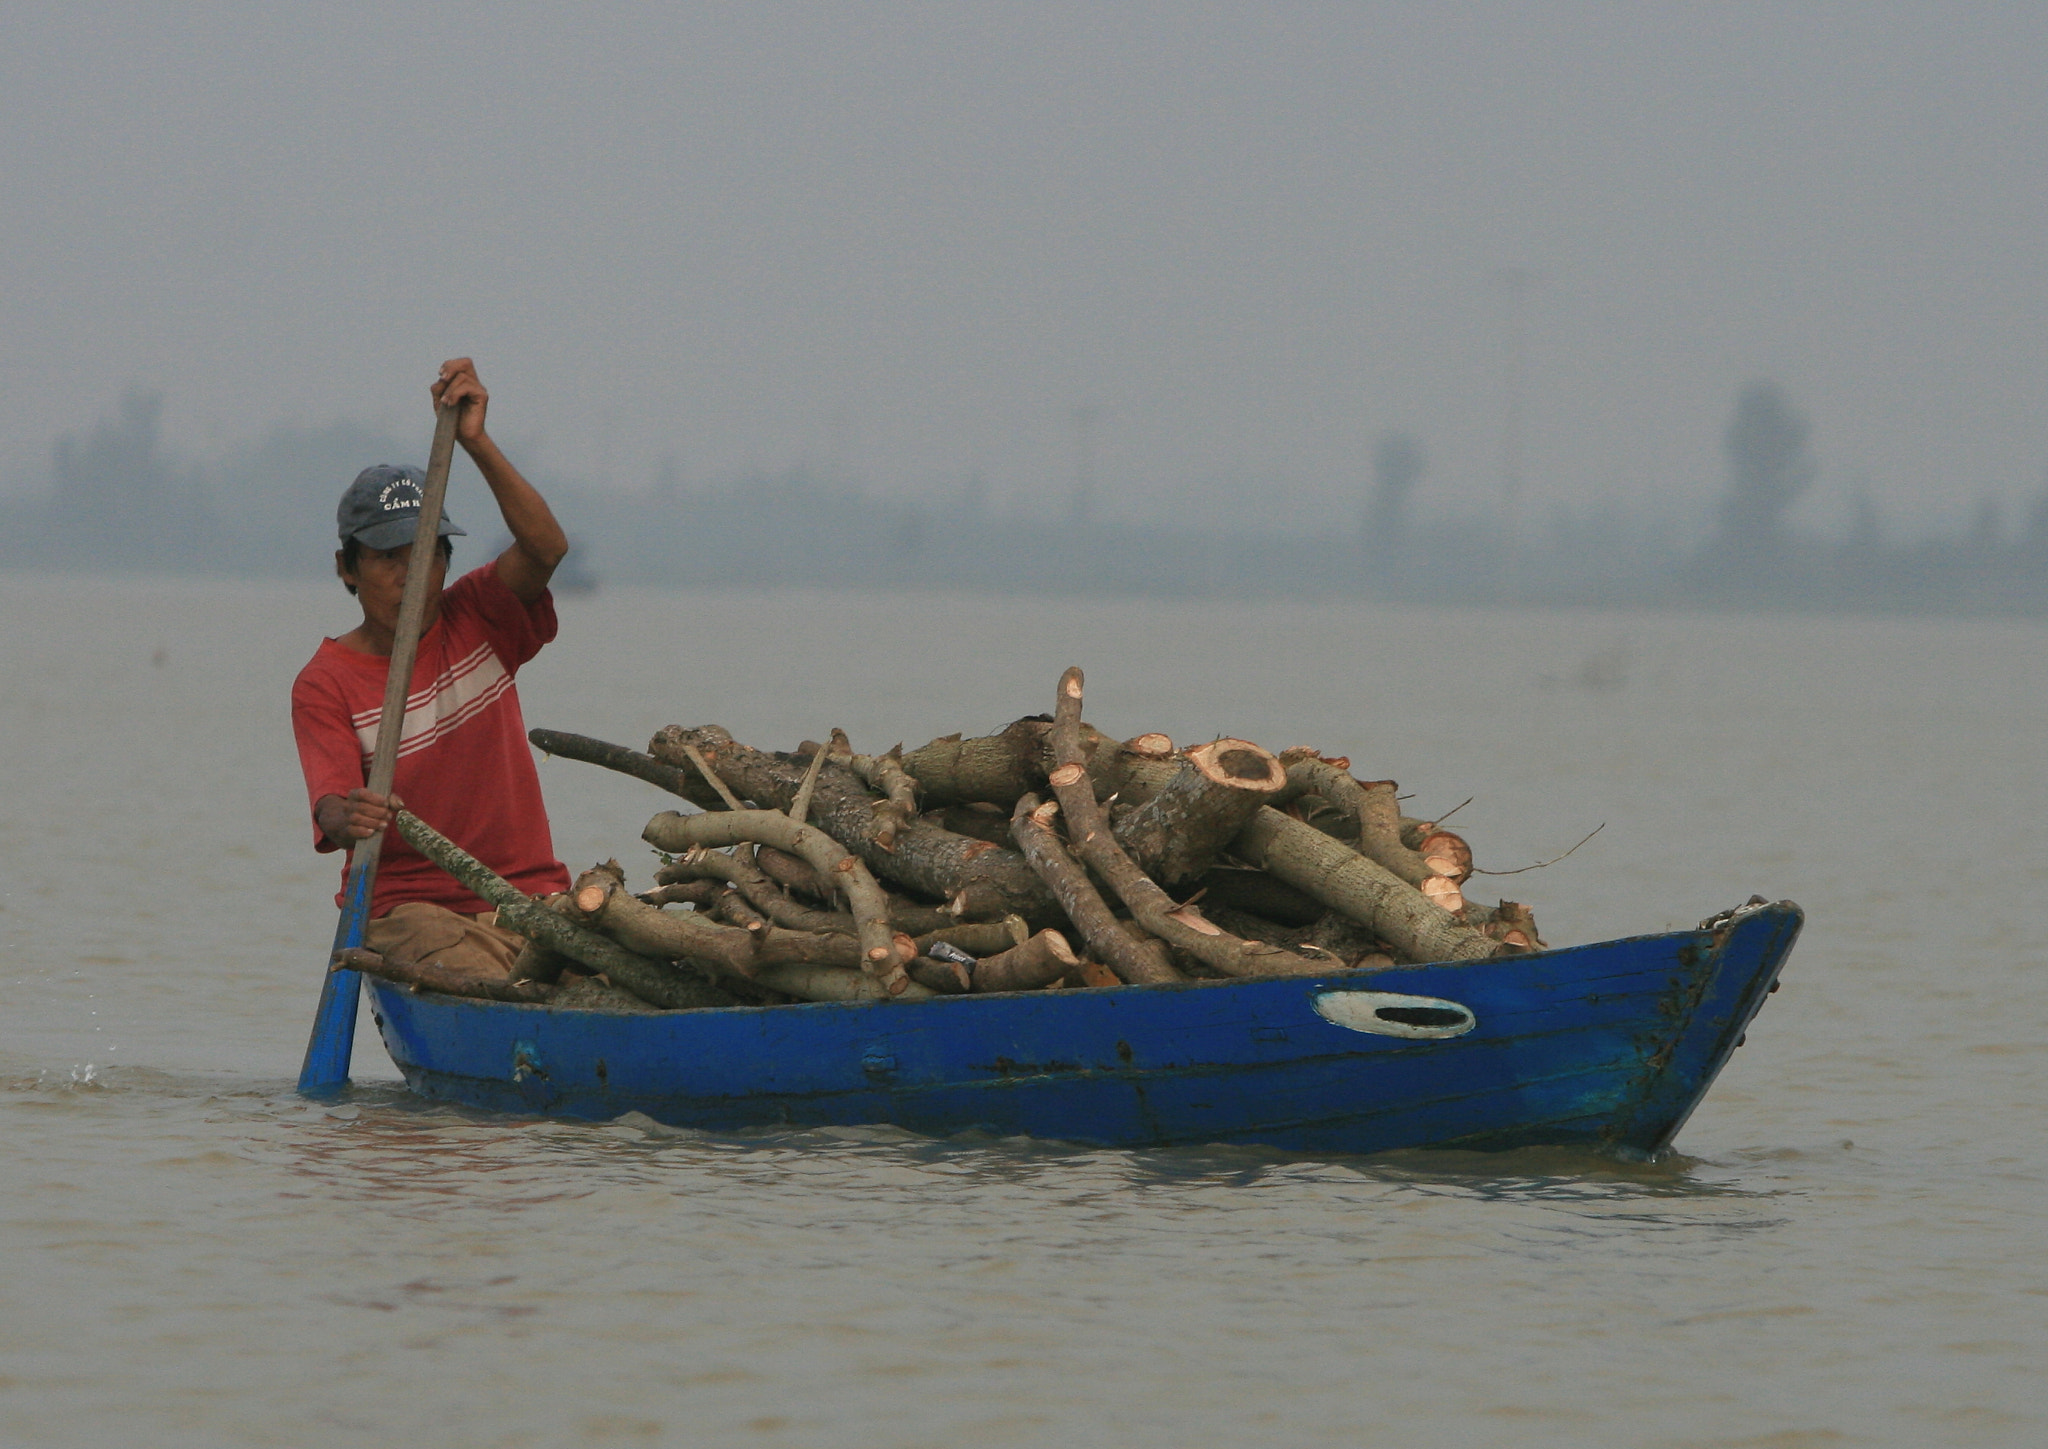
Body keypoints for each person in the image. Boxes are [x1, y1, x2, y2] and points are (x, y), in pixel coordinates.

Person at [291, 358, 572, 981]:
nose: (409, 575)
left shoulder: (479, 615)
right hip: (412, 912)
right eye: (388, 558)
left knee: (617, 974)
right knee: (489, 984)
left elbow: (547, 549)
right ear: (347, 567)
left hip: (527, 896)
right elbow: (330, 807)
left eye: (425, 555)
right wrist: (349, 817)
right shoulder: (326, 681)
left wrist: (475, 441)